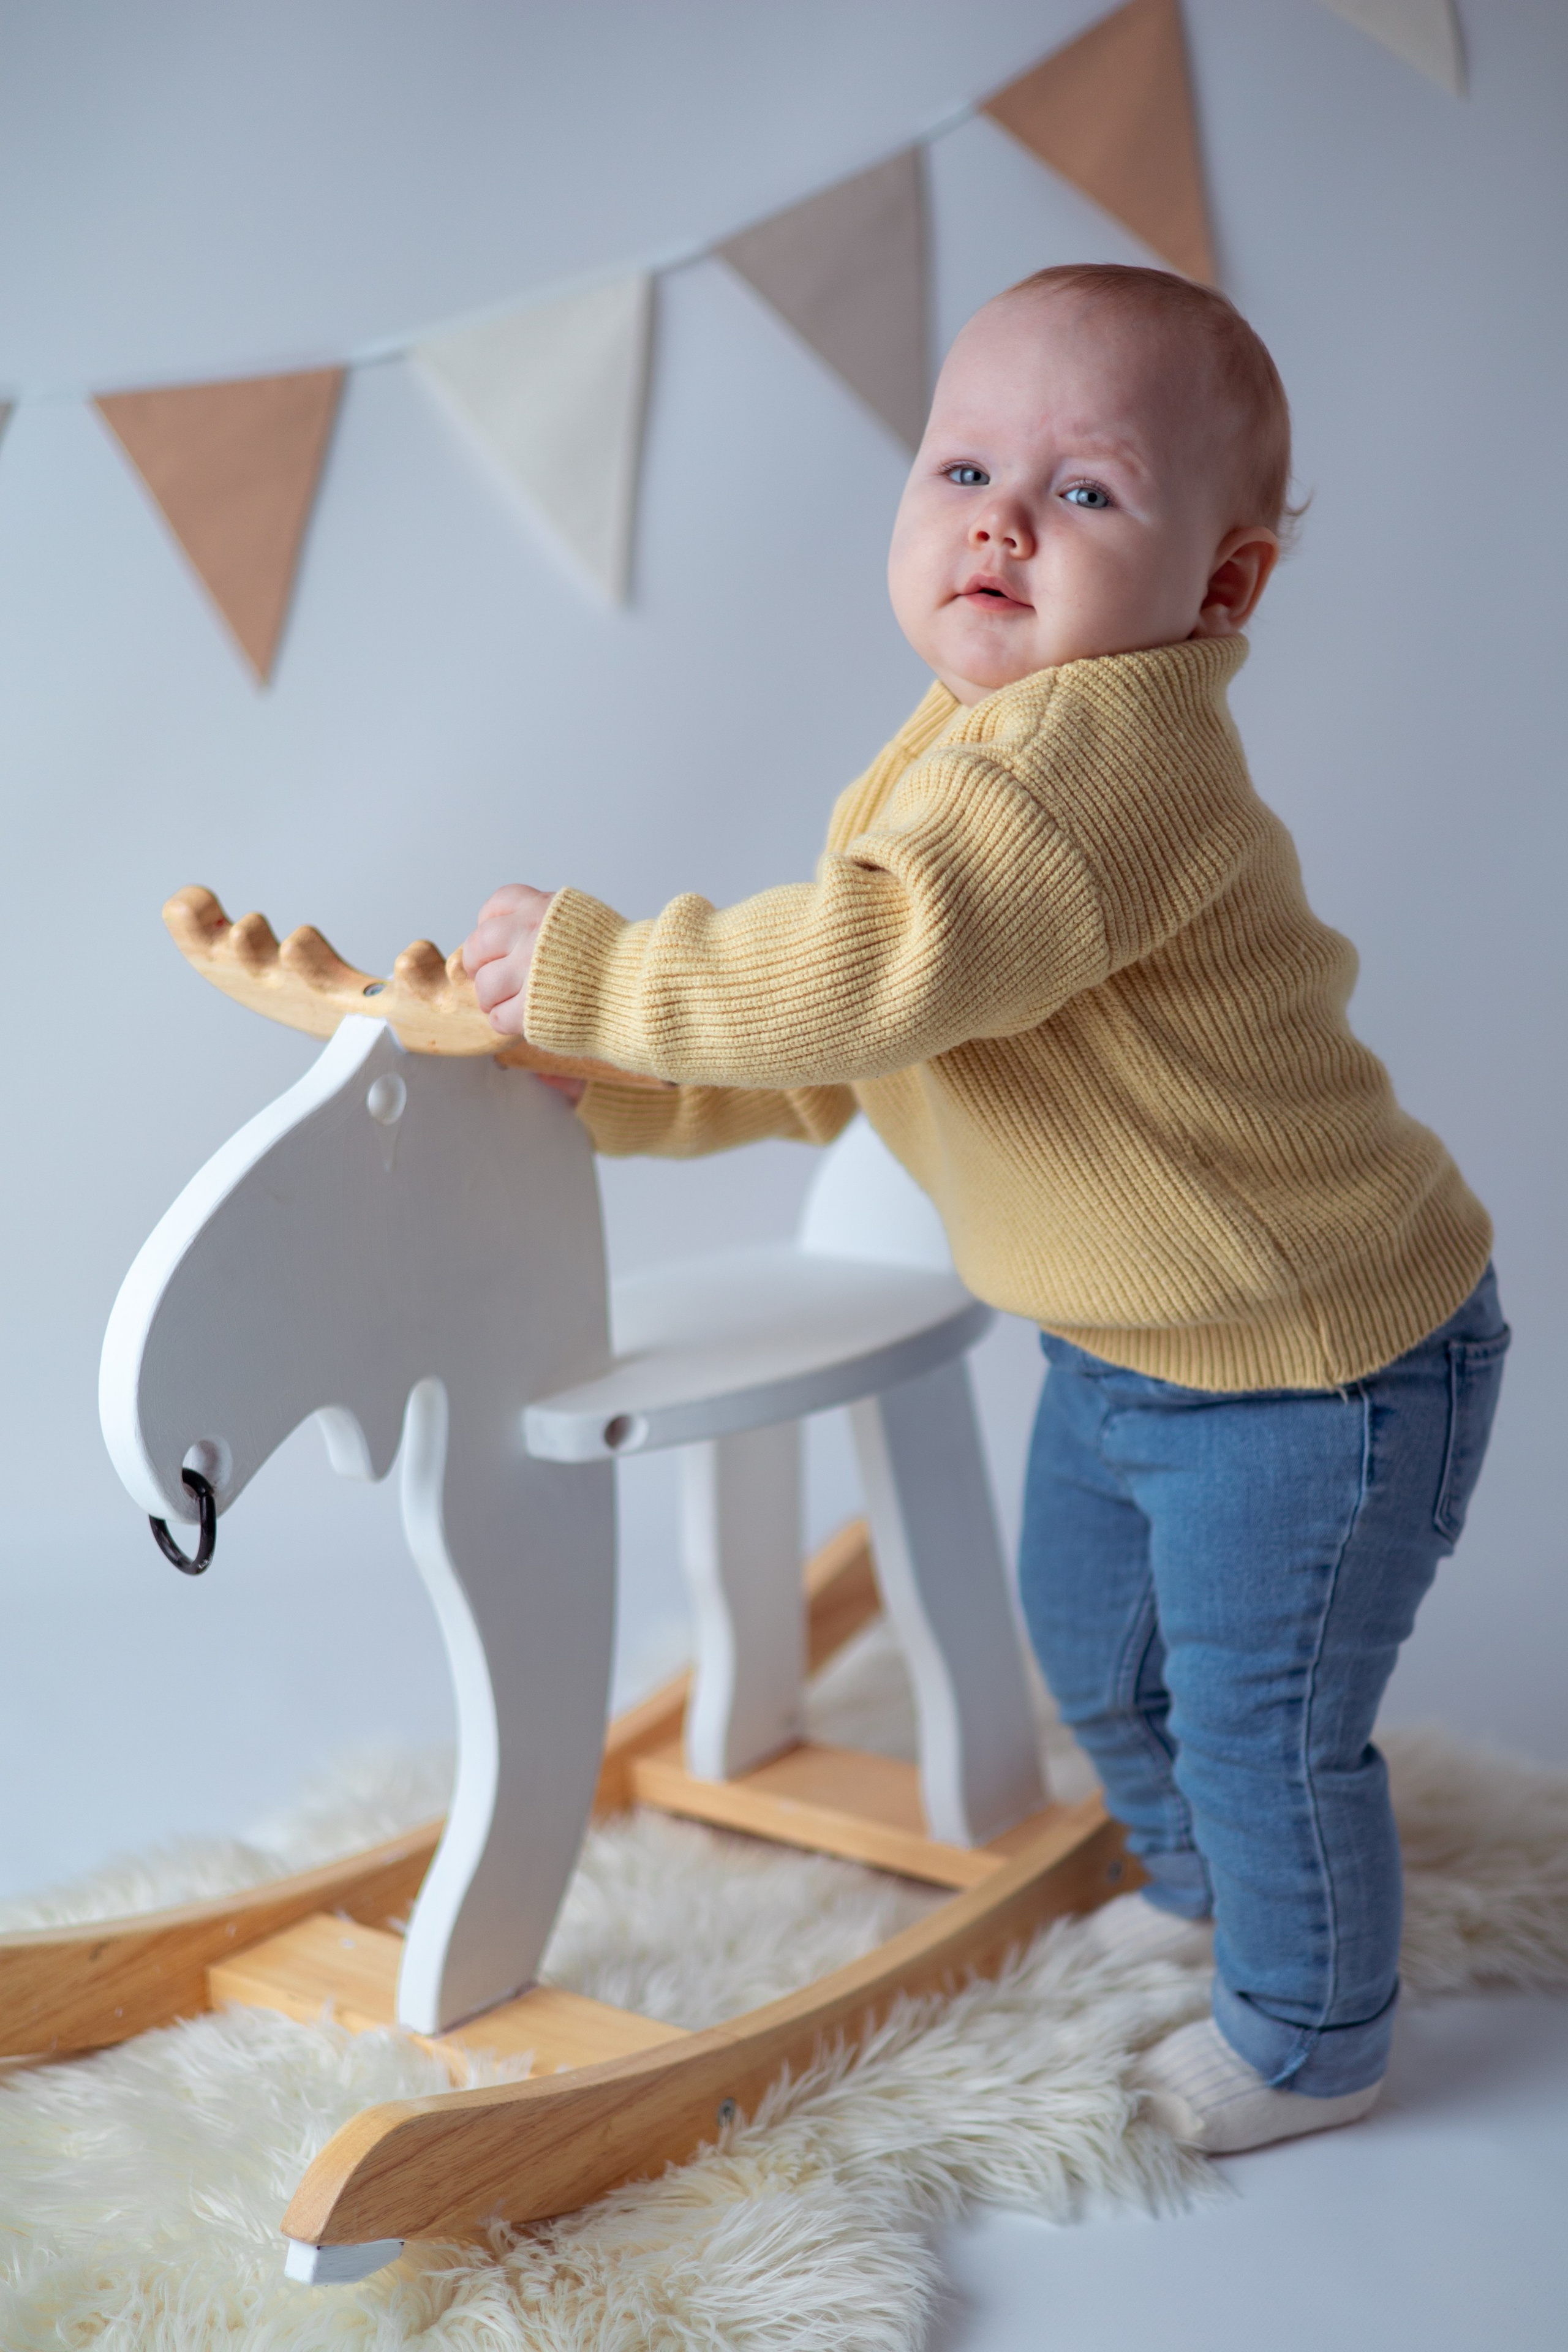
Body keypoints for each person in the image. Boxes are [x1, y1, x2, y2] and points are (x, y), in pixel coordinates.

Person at [461, 263, 1508, 2155]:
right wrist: (616, 1089)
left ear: (1224, 585)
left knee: (1268, 1712)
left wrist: (600, 973)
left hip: (1322, 1367)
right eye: (960, 467)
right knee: (1090, 1636)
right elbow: (862, 1055)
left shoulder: (1101, 762)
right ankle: (1203, 1888)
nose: (1002, 518)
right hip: (1133, 1346)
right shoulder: (955, 751)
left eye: (1085, 491)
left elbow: (875, 971)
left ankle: (1311, 2030)